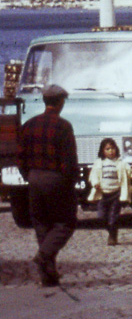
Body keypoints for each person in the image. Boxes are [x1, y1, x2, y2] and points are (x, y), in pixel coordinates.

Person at [17, 84, 78, 286]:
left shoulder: (29, 124)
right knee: (65, 223)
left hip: (34, 178)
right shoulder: (63, 126)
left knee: (42, 224)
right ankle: (43, 255)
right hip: (56, 179)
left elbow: (21, 157)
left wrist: (29, 176)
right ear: (60, 102)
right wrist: (71, 182)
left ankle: (48, 277)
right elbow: (69, 159)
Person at [88, 138, 130, 246]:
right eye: (107, 149)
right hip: (103, 193)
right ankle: (110, 230)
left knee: (113, 216)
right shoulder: (99, 163)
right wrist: (95, 182)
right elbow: (93, 175)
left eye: (113, 148)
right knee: (101, 216)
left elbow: (129, 173)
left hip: (116, 193)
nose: (111, 151)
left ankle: (113, 236)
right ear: (103, 151)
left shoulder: (121, 163)